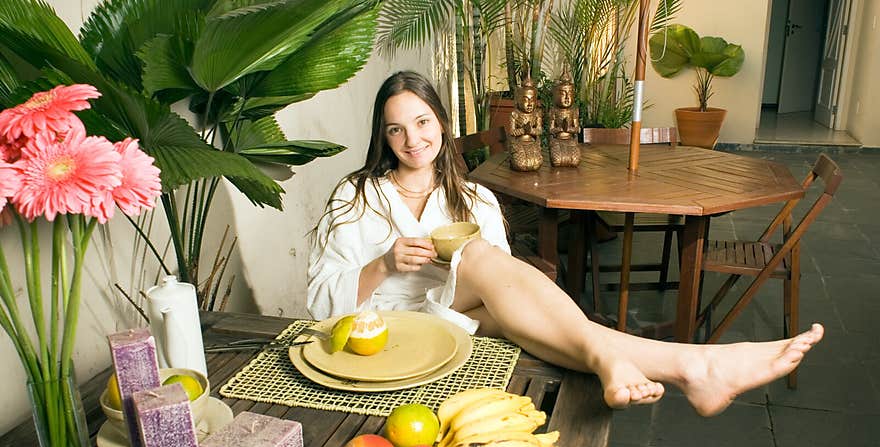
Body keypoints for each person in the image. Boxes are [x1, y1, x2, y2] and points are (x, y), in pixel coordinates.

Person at [307, 70, 823, 417]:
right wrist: (382, 264)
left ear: (441, 122)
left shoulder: (474, 200)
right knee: (484, 259)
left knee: (511, 299)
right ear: (383, 135)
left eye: (422, 122)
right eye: (396, 129)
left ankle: (694, 368)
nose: (412, 139)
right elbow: (317, 303)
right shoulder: (356, 198)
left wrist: (469, 279)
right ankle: (683, 362)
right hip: (390, 330)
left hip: (456, 326)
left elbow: (512, 299)